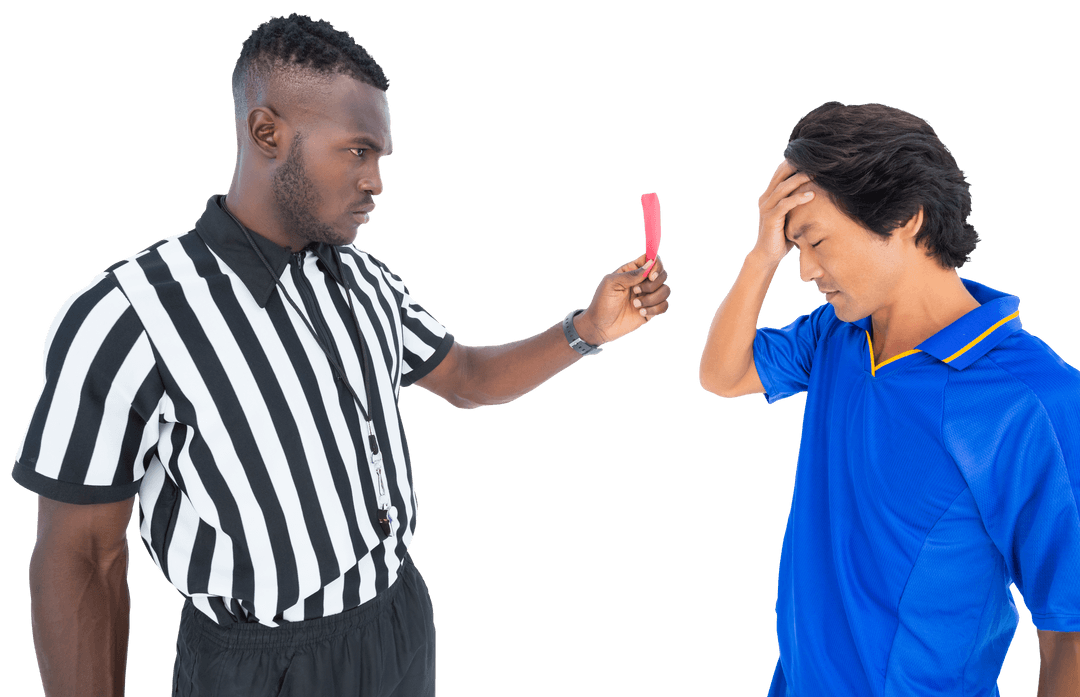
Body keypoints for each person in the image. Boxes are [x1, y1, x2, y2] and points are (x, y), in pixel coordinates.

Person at [12, 14, 670, 697]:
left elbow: (467, 377)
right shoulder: (130, 315)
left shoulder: (364, 280)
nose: (375, 181)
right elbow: (80, 556)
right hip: (260, 662)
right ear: (266, 133)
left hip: (397, 618)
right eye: (357, 151)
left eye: (380, 157)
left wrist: (587, 329)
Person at [698, 102, 1080, 695]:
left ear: (905, 217)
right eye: (795, 247)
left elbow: (1069, 630)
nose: (805, 270)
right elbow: (724, 374)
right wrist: (762, 254)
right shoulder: (836, 335)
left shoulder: (1030, 399)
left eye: (815, 241)